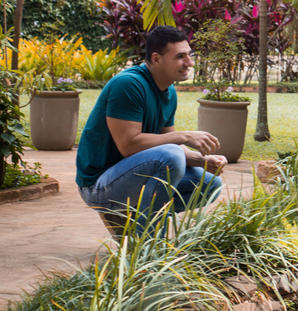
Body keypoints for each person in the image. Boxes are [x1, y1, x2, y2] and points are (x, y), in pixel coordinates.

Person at [76, 26, 227, 238]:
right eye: (180, 57)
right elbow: (129, 145)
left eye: (189, 55)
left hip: (132, 176)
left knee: (210, 184)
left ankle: (136, 222)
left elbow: (168, 145)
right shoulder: (128, 84)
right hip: (98, 186)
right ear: (156, 59)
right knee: (171, 155)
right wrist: (184, 136)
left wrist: (202, 160)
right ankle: (150, 243)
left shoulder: (168, 90)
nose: (189, 63)